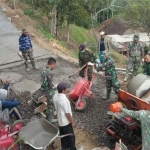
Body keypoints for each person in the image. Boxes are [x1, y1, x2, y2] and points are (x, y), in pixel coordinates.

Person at [53, 82, 77, 150]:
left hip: (60, 123)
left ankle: (64, 148)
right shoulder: (64, 100)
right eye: (66, 88)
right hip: (66, 123)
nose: (67, 89)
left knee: (63, 138)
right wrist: (72, 122)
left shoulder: (55, 97)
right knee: (71, 138)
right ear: (63, 90)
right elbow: (67, 113)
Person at [41, 57, 57, 122]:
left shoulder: (43, 69)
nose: (54, 67)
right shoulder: (50, 72)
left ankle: (52, 113)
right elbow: (51, 85)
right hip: (49, 91)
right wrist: (56, 86)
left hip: (44, 89)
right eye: (54, 65)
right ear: (52, 64)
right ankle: (49, 118)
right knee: (50, 104)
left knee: (51, 103)